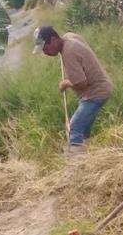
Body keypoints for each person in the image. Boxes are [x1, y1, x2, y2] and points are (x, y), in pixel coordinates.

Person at [34, 26, 113, 155]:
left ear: (53, 39)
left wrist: (66, 83)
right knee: (84, 127)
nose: (45, 53)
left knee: (75, 127)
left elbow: (81, 84)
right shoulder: (69, 37)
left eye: (46, 48)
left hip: (96, 93)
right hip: (100, 87)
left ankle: (74, 163)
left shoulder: (69, 52)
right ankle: (84, 155)